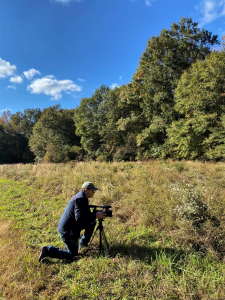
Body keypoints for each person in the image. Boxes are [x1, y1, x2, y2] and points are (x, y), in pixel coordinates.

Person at [38, 182, 107, 262]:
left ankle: (83, 244)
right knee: (73, 256)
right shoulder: (80, 199)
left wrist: (94, 214)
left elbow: (83, 215)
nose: (94, 192)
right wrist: (95, 216)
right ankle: (47, 251)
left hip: (69, 227)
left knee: (92, 222)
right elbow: (79, 218)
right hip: (68, 232)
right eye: (92, 190)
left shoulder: (82, 197)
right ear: (85, 189)